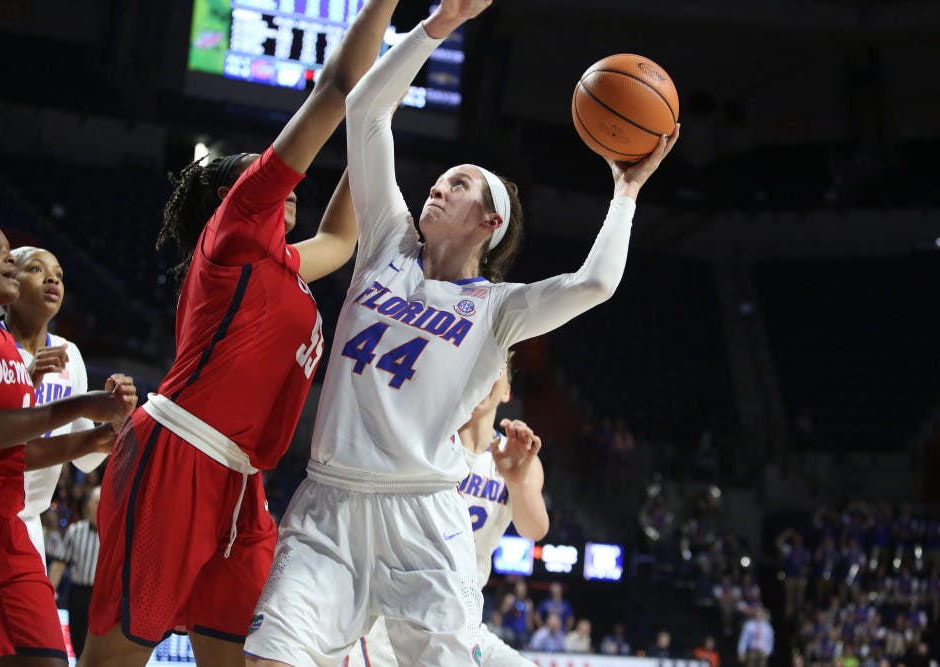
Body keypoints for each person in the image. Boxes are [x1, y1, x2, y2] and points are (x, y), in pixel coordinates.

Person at [244, 0, 679, 661]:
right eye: (442, 180)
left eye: (459, 185)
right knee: (268, 655)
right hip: (330, 500)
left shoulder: (498, 309)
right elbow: (366, 111)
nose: (438, 189)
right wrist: (436, 26)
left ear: (489, 223)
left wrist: (626, 191)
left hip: (421, 514)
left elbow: (595, 284)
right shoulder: (387, 246)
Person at [81, 0, 403, 664]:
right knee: (114, 658)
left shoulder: (285, 263)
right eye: (268, 169)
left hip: (243, 484)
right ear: (235, 194)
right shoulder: (233, 232)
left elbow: (341, 238)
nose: (288, 177)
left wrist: (377, 122)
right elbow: (335, 88)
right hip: (178, 452)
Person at [0, 219, 135, 667]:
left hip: (13, 524)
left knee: (43, 658)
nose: (9, 261)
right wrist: (79, 406)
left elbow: (17, 453)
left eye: (60, 274)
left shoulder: (12, 347)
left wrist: (103, 434)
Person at [346, 361, 549, 666]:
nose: (483, 371)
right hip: (397, 618)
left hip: (464, 621)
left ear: (506, 389)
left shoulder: (519, 456)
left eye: (495, 365)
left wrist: (518, 483)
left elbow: (535, 530)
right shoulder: (424, 440)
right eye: (476, 362)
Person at [0, 245, 125, 563]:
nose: (52, 280)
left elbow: (85, 463)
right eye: (37, 270)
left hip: (29, 522)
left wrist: (115, 422)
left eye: (58, 275)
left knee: (38, 615)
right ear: (9, 279)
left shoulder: (69, 354)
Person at [50, 486, 102, 659]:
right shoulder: (75, 531)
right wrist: (50, 590)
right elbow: (59, 563)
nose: (100, 506)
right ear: (88, 505)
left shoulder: (115, 531)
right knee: (77, 641)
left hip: (102, 596)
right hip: (78, 594)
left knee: (97, 647)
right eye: (96, 502)